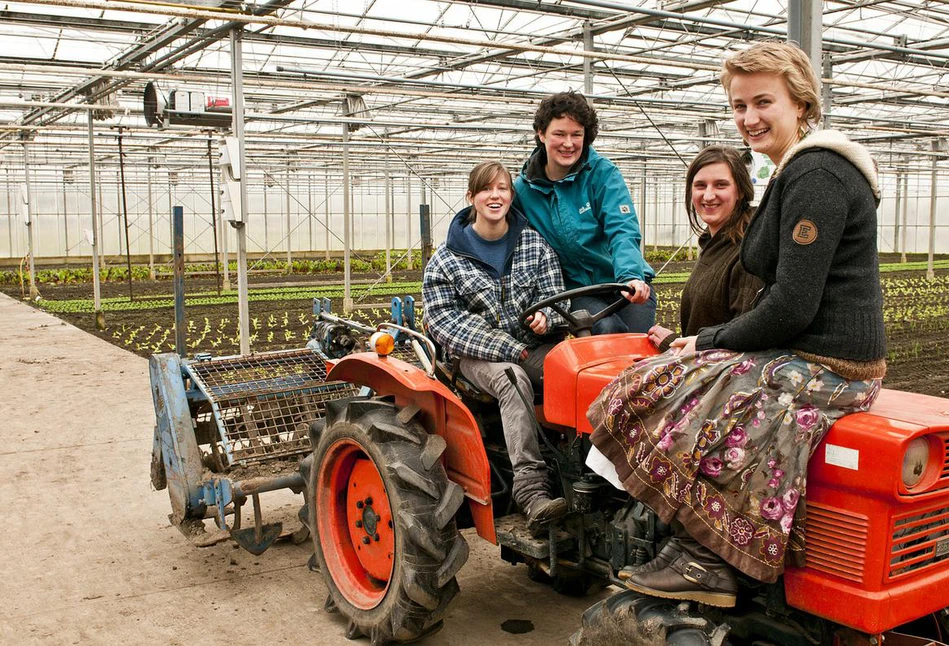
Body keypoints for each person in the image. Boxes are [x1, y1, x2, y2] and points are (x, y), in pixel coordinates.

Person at [586, 41, 886, 608]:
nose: (749, 118)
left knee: (656, 389)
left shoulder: (816, 174)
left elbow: (791, 307)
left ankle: (706, 557)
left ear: (800, 103)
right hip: (811, 348)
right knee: (673, 373)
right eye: (738, 105)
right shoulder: (795, 170)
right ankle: (692, 538)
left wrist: (709, 340)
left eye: (763, 102)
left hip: (831, 362)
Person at [423, 161, 569, 534]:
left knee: (576, 373)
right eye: (486, 189)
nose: (495, 195)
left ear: (510, 196)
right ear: (472, 197)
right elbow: (448, 325)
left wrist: (548, 319)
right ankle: (530, 489)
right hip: (475, 357)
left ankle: (586, 469)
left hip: (531, 344)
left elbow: (555, 297)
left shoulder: (533, 244)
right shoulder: (446, 259)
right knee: (512, 378)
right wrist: (511, 348)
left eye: (502, 188)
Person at [514, 90, 656, 335]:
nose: (568, 143)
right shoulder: (524, 190)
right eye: (559, 134)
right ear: (541, 134)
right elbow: (506, 238)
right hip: (577, 290)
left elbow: (621, 228)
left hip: (621, 280)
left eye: (576, 135)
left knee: (634, 343)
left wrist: (631, 276)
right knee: (607, 329)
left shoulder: (602, 174)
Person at [647, 145, 763, 353]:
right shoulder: (714, 242)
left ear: (740, 191)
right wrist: (677, 344)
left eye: (720, 185)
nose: (708, 196)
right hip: (706, 373)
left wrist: (674, 345)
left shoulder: (749, 252)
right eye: (700, 185)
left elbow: (745, 340)